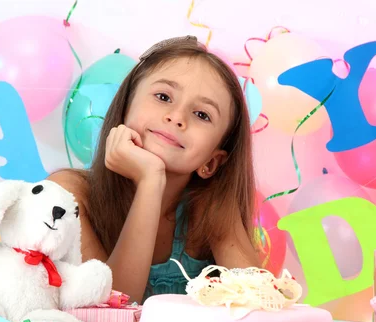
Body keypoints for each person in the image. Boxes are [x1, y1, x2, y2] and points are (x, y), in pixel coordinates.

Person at [50, 35, 260, 303]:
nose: (177, 117)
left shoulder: (212, 210)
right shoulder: (68, 195)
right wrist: (150, 182)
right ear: (125, 107)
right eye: (163, 96)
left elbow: (260, 305)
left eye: (202, 114)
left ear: (211, 162)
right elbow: (112, 311)